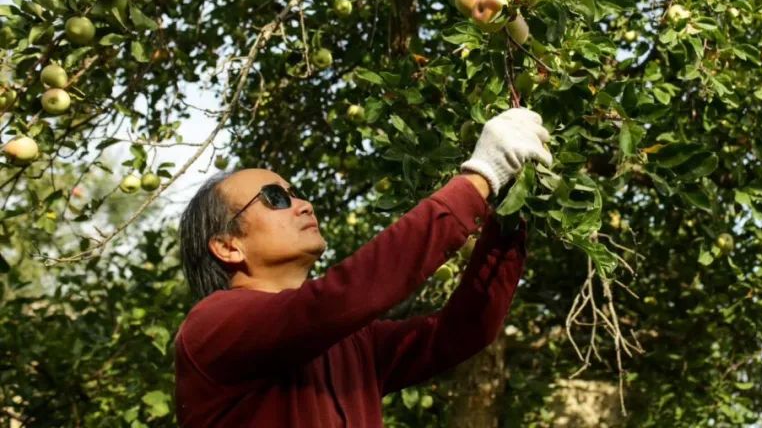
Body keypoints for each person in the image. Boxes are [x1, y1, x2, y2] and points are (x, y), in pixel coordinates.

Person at [174, 107, 552, 427]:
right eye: (275, 198)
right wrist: (481, 176)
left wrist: (510, 213)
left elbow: (462, 331)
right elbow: (344, 296)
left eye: (295, 193)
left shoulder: (352, 342)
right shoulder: (213, 326)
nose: (304, 205)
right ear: (228, 246)